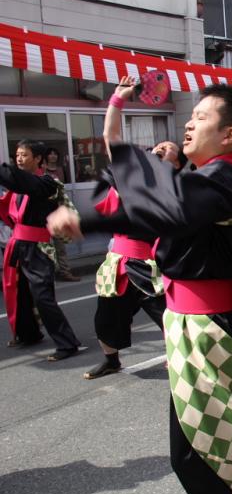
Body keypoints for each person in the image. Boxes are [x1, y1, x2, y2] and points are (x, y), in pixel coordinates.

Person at [48, 83, 232, 494]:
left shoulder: (221, 179)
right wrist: (116, 104)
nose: (188, 123)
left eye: (201, 117)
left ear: (228, 136)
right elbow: (145, 184)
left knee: (191, 454)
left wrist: (86, 218)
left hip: (209, 328)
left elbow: (170, 211)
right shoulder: (198, 178)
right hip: (194, 322)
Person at [83, 75, 168, 379]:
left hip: (150, 263)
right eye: (156, 148)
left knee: (171, 315)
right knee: (106, 315)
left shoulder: (178, 189)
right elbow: (111, 136)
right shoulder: (131, 178)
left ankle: (183, 353)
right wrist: (117, 99)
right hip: (118, 260)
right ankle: (111, 359)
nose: (159, 150)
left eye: (167, 150)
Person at [0, 139, 83, 360]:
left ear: (38, 159)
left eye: (24, 154)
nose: (19, 158)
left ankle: (67, 343)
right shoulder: (19, 186)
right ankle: (29, 334)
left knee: (43, 297)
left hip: (39, 247)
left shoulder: (47, 183)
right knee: (20, 293)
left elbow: (22, 182)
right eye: (17, 154)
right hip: (18, 244)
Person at [43, 147, 81, 282]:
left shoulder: (60, 170)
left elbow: (66, 185)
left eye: (55, 153)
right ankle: (48, 273)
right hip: (43, 214)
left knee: (60, 246)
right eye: (50, 154)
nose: (52, 156)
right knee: (45, 247)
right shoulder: (41, 172)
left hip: (57, 211)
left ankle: (64, 272)